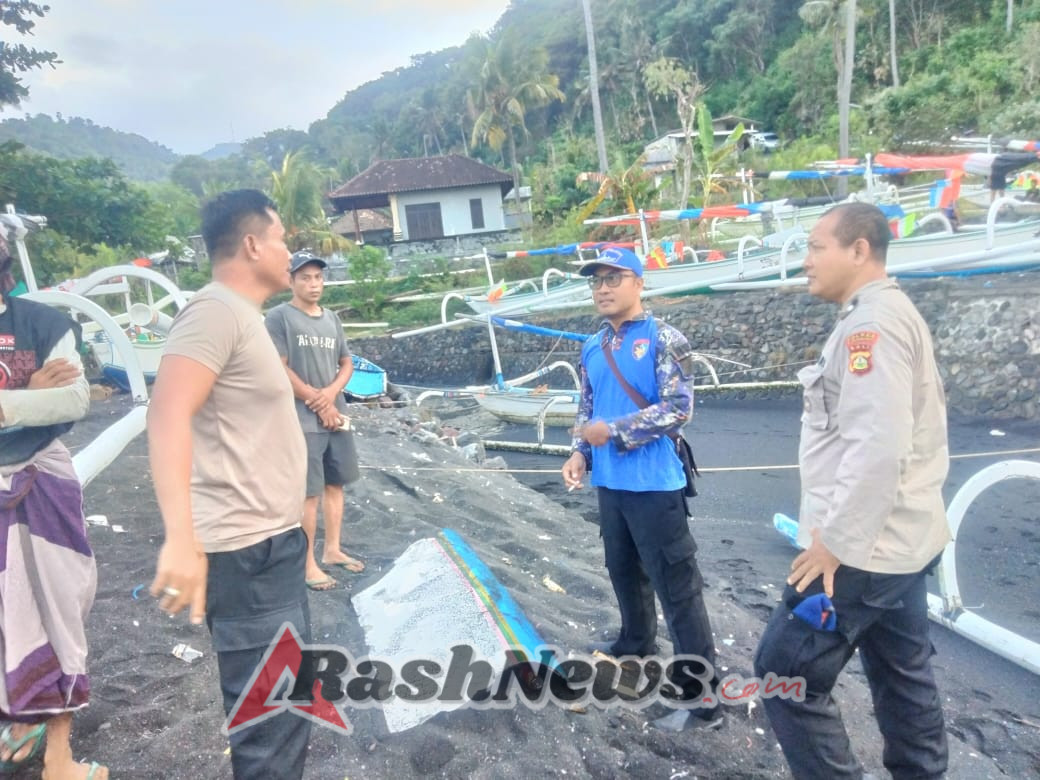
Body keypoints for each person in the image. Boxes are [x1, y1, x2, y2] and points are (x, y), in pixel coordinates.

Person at [753, 202, 950, 779]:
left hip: (862, 549)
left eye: (816, 247)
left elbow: (877, 448)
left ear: (859, 249)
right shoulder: (885, 314)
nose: (806, 261)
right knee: (902, 676)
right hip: (902, 541)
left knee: (784, 672)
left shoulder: (870, 327)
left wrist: (834, 543)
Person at [147, 189, 311, 780]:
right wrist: (181, 540)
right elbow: (167, 413)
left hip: (272, 544)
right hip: (246, 552)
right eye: (283, 238)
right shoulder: (214, 311)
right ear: (251, 244)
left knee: (284, 713)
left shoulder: (245, 318)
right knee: (270, 729)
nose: (289, 251)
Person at [560, 247, 721, 732]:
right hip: (610, 482)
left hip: (654, 484)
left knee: (678, 586)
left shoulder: (664, 339)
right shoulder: (591, 346)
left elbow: (678, 408)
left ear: (638, 284)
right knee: (622, 568)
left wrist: (615, 430)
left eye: (614, 278)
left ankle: (703, 698)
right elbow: (586, 408)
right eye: (596, 281)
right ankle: (636, 642)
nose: (603, 288)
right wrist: (579, 453)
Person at [0, 229, 108, 779]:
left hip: (40, 483)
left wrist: (18, 402)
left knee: (56, 607)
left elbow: (72, 397)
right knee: (6, 617)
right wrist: (27, 394)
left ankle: (59, 760)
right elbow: (42, 399)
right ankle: (21, 723)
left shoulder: (44, 323)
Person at [264, 250, 362, 591]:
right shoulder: (279, 318)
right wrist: (317, 401)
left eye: (318, 277)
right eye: (305, 277)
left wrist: (331, 394)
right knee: (309, 493)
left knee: (336, 483)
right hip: (301, 419)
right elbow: (278, 366)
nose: (313, 283)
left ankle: (332, 550)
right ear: (291, 281)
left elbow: (346, 362)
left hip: (336, 416)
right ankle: (307, 565)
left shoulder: (331, 319)